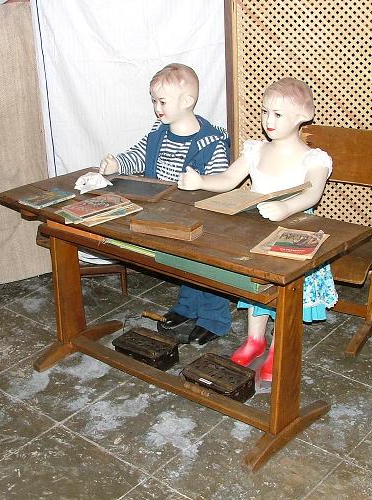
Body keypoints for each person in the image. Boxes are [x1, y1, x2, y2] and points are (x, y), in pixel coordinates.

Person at [178, 77, 336, 380]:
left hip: (294, 235)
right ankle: (254, 340)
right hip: (257, 231)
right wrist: (201, 181)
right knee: (256, 286)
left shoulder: (313, 159)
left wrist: (286, 207)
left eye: (278, 114)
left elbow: (312, 193)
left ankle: (278, 347)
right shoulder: (257, 150)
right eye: (265, 112)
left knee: (284, 291)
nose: (269, 121)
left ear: (303, 116)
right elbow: (228, 179)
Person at [99, 63, 231, 346]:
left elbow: (222, 181)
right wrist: (118, 163)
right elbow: (139, 154)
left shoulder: (211, 142)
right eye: (153, 101)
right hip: (164, 213)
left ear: (187, 101)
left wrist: (202, 182)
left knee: (206, 267)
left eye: (162, 101)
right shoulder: (159, 132)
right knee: (181, 263)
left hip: (200, 218)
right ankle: (187, 307)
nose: (156, 108)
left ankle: (214, 318)